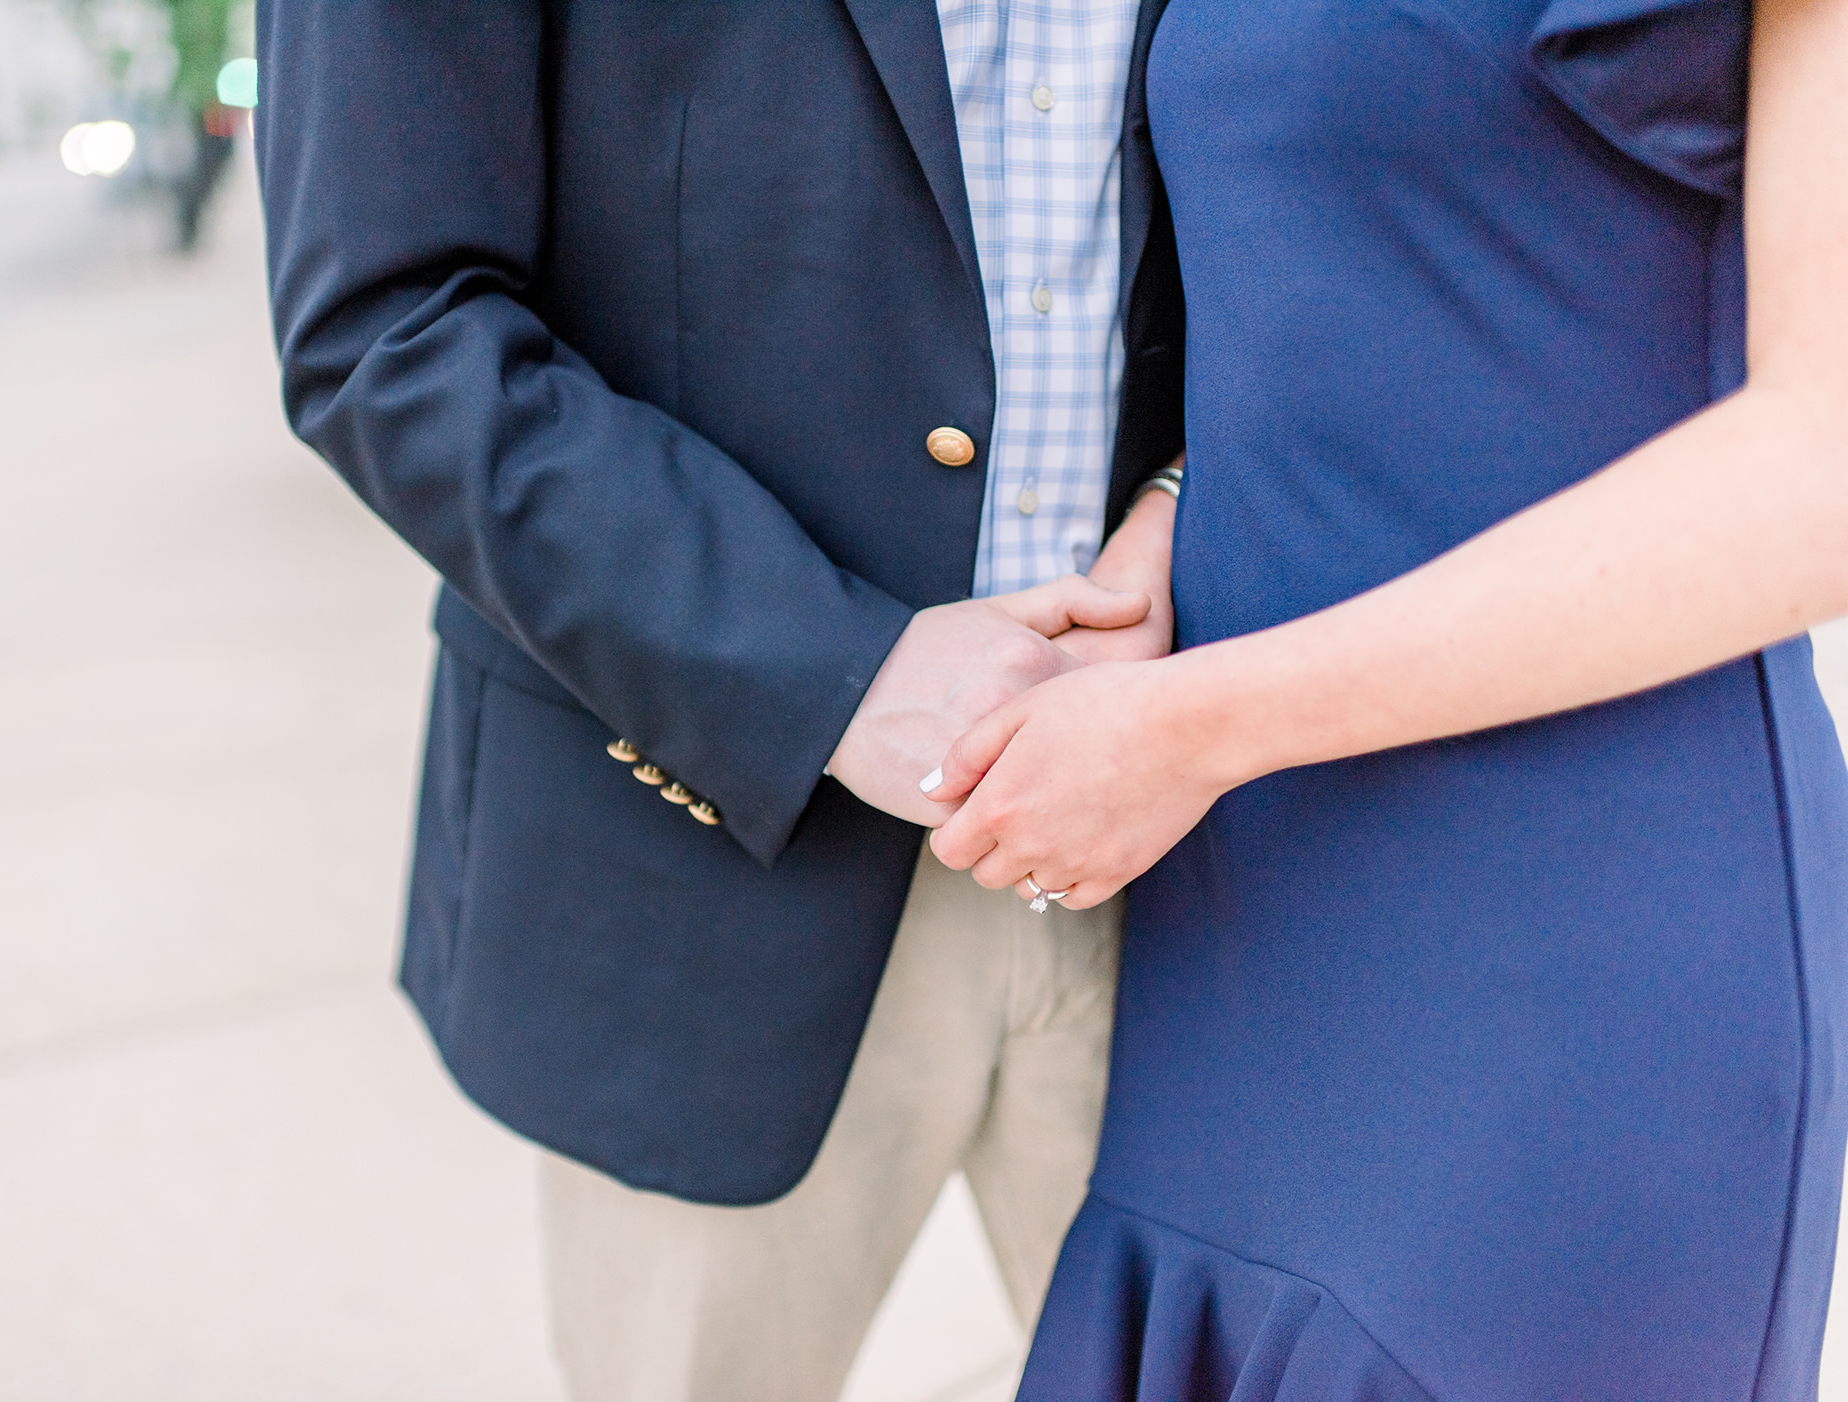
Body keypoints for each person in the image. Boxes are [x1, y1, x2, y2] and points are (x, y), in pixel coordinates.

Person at [253, 4, 1185, 1399]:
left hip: (1201, 839)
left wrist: (1189, 500)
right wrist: (830, 670)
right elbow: (387, 322)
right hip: (703, 843)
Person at [923, 0, 1848, 1395]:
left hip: (1560, 945)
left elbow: (1819, 475)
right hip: (1247, 921)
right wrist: (1166, 527)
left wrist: (1195, 726)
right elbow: (1341, 285)